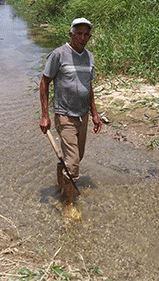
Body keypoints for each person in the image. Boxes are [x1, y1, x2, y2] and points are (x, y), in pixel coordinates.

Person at [39, 17, 102, 208]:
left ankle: (61, 185)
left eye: (86, 34)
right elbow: (44, 83)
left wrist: (95, 113)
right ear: (71, 34)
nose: (82, 37)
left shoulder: (89, 56)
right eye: (79, 33)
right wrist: (45, 115)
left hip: (83, 115)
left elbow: (88, 86)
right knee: (73, 165)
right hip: (64, 114)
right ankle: (68, 205)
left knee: (75, 158)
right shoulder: (58, 55)